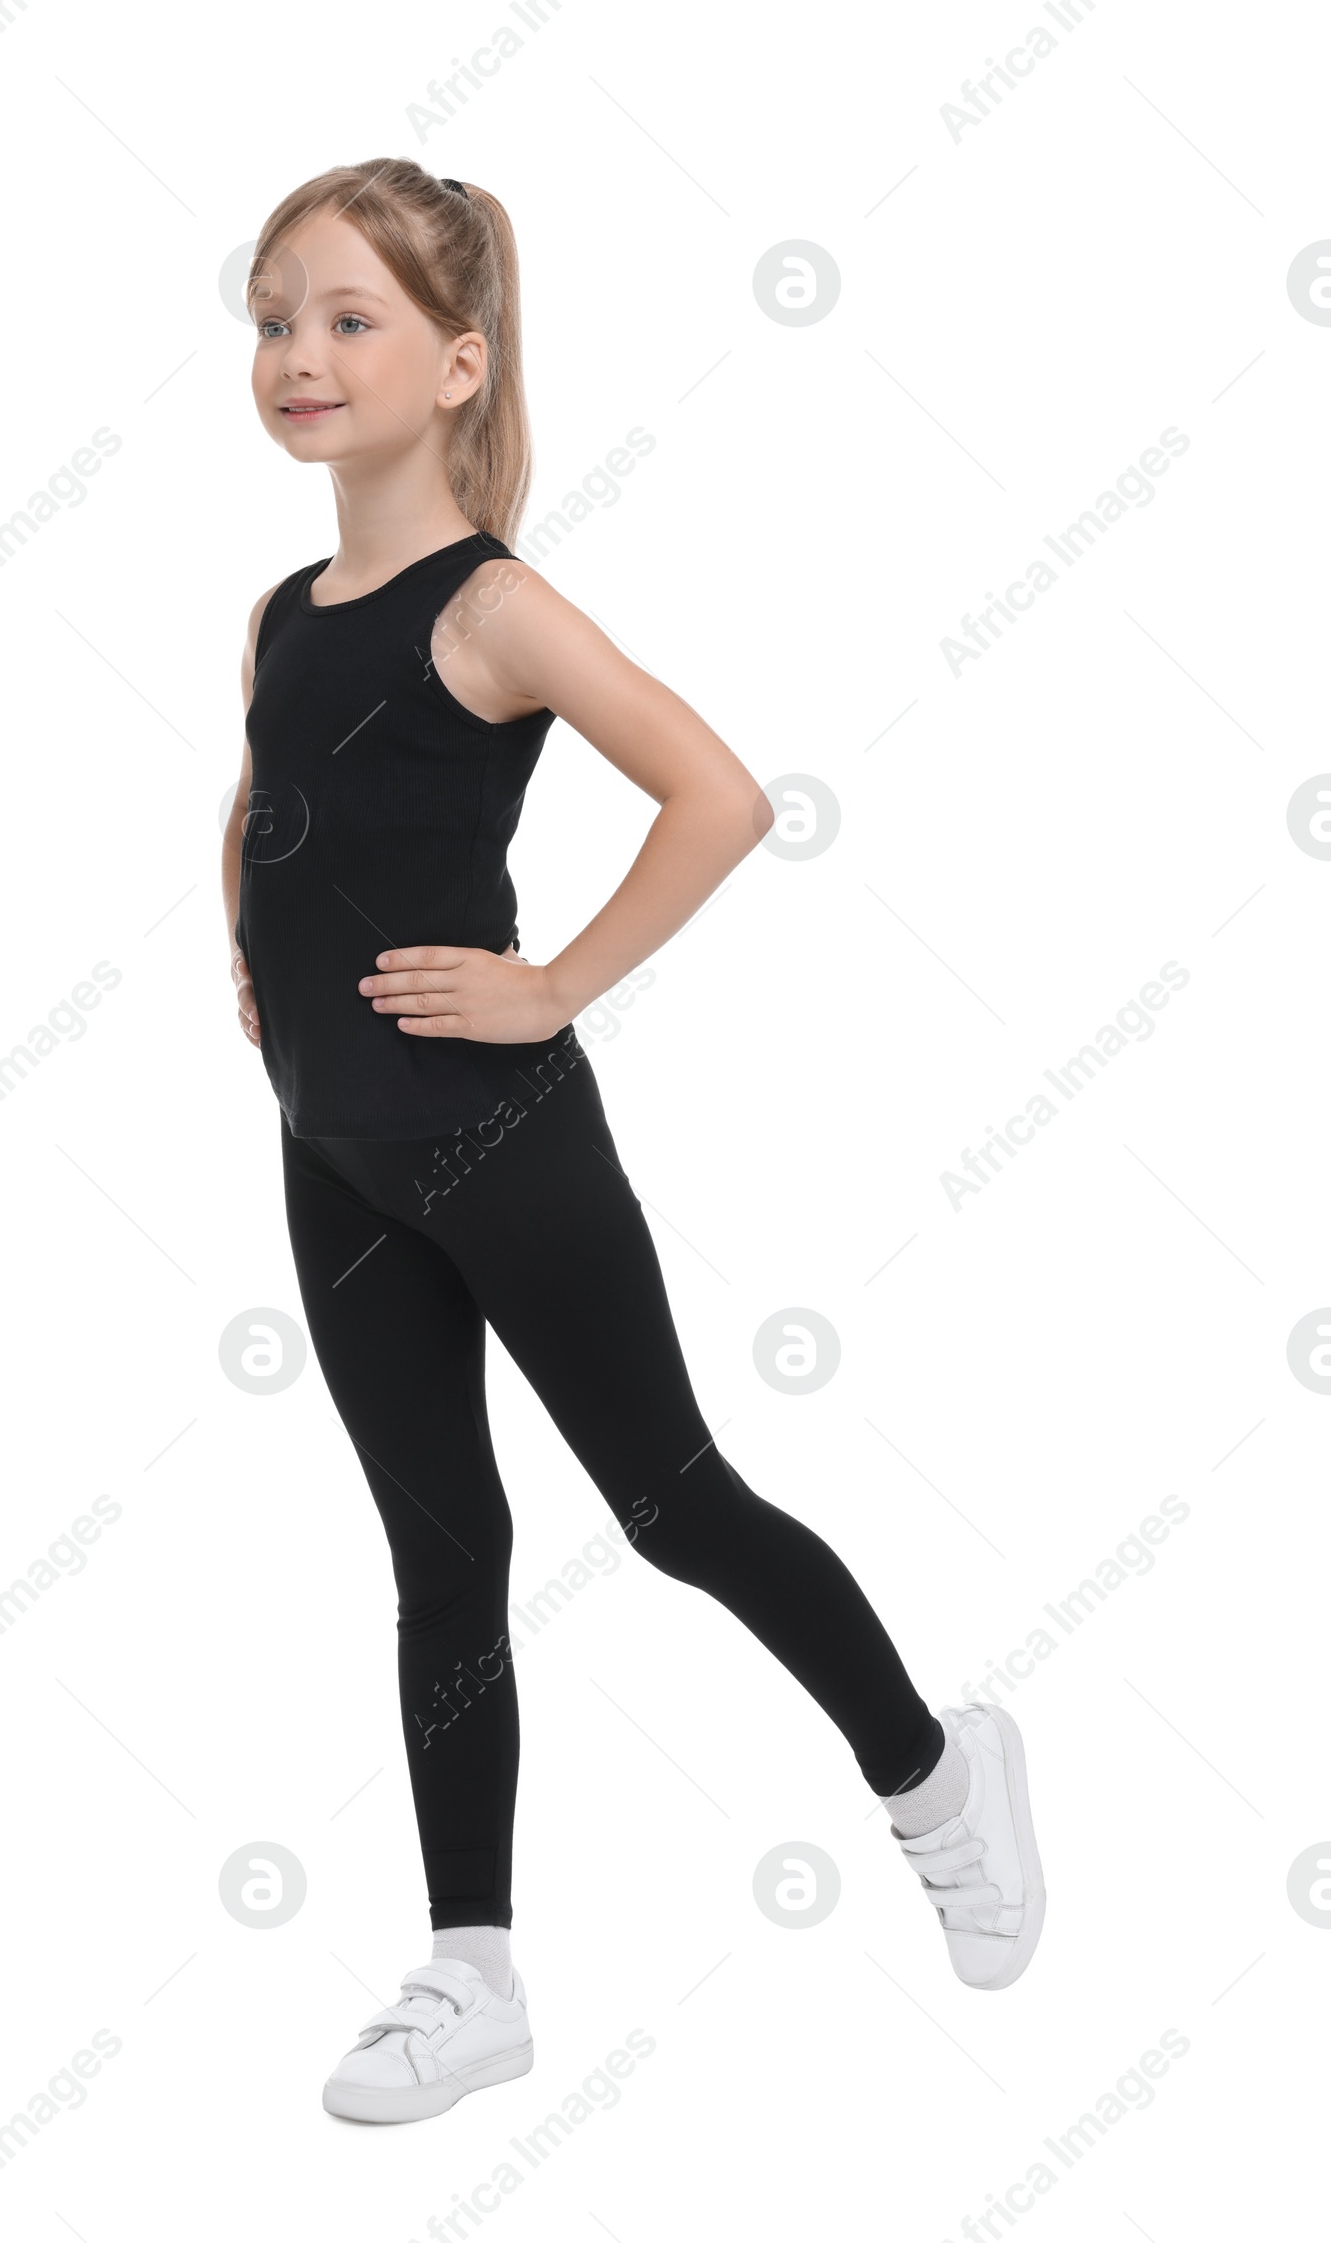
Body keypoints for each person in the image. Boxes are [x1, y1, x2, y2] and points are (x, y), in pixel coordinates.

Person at [220, 159, 1045, 2125]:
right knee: (442, 1549)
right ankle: (472, 1964)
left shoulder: (489, 602)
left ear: (455, 359)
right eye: (271, 317)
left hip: (495, 1135)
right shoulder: (282, 609)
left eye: (346, 318)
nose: (297, 355)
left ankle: (932, 1769)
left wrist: (556, 979)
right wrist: (247, 945)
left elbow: (713, 790)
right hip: (330, 1146)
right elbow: (273, 782)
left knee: (669, 1506)